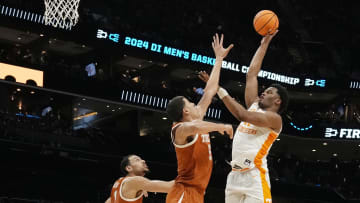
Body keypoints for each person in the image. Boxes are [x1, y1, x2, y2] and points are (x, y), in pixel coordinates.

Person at [199, 30, 289, 203]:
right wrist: (264, 44)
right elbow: (251, 74)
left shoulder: (274, 119)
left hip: (254, 177)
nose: (263, 93)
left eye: (269, 92)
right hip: (234, 175)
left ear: (277, 101)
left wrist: (218, 88)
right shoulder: (254, 105)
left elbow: (241, 115)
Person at [165, 34, 234, 203]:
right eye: (190, 103)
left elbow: (210, 90)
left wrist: (219, 59)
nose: (196, 104)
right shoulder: (179, 130)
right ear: (185, 112)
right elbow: (195, 128)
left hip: (198, 193)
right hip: (184, 192)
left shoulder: (197, 118)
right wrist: (220, 126)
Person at [105, 154, 175, 203]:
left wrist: (140, 187)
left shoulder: (118, 182)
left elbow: (110, 200)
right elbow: (170, 187)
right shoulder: (135, 181)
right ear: (129, 168)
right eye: (137, 160)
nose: (143, 161)